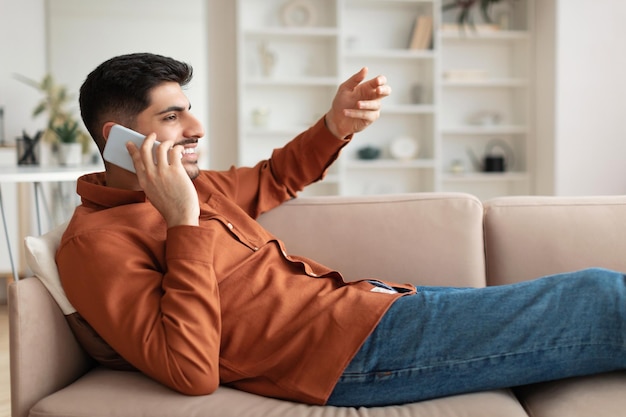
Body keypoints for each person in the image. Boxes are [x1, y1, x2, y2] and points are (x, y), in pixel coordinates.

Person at [57, 52, 626, 407]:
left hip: (367, 307)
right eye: (172, 116)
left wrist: (334, 126)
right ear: (119, 139)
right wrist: (182, 221)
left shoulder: (199, 185)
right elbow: (190, 370)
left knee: (587, 299)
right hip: (346, 355)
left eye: (189, 108)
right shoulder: (95, 244)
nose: (197, 127)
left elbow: (276, 176)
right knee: (598, 296)